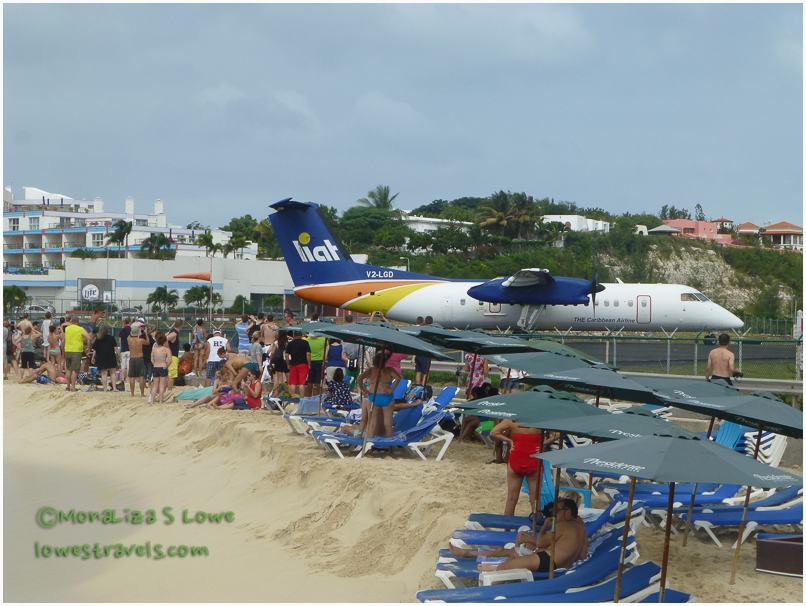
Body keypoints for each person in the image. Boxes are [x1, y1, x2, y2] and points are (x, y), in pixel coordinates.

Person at [448, 498, 588, 574]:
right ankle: (467, 553)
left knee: (506, 563)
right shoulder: (580, 524)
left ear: (568, 512)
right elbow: (582, 555)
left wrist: (545, 526)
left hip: (549, 562)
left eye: (557, 510)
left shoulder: (563, 525)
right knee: (509, 552)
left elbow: (540, 542)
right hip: (558, 561)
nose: (554, 513)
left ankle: (489, 566)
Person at [492, 418, 555, 516]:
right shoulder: (541, 420)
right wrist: (543, 444)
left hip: (516, 457)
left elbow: (494, 432)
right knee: (535, 499)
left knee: (511, 499)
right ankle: (536, 523)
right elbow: (556, 435)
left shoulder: (510, 421)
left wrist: (510, 441)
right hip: (534, 458)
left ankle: (507, 525)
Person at [357, 352, 402, 438]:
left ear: (374, 361)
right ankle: (389, 443)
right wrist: (392, 389)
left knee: (372, 422)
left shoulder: (371, 370)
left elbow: (359, 378)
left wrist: (363, 389)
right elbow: (398, 378)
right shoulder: (389, 370)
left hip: (373, 396)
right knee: (388, 423)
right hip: (386, 396)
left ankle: (366, 441)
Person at [64, 317, 89, 392]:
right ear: (78, 322)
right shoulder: (80, 329)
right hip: (76, 351)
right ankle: (73, 387)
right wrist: (86, 344)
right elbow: (88, 337)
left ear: (71, 321)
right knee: (75, 370)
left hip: (67, 350)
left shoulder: (67, 328)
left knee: (68, 369)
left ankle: (68, 386)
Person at [91, 326, 118, 391]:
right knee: (113, 373)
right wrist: (118, 356)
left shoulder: (98, 339)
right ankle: (114, 388)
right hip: (111, 357)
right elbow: (116, 348)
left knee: (103, 374)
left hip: (101, 357)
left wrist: (93, 357)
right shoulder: (111, 338)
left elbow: (95, 350)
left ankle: (105, 389)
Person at [285, 330, 311, 397]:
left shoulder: (290, 343)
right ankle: (302, 399)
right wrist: (309, 364)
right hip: (303, 364)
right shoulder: (305, 342)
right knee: (302, 383)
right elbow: (308, 354)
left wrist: (288, 364)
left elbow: (286, 355)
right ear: (301, 335)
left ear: (294, 335)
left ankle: (292, 399)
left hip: (293, 364)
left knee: (292, 383)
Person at [305, 322, 327, 397]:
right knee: (318, 381)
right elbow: (326, 350)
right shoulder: (323, 339)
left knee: (309, 381)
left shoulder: (307, 340)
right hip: (320, 361)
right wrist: (324, 360)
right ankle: (317, 397)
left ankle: (308, 397)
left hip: (310, 361)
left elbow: (307, 353)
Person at [150, 332, 171, 404]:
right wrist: (166, 365)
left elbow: (152, 360)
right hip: (163, 367)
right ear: (164, 341)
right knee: (162, 385)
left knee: (155, 385)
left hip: (155, 367)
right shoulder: (166, 349)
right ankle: (161, 401)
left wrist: (155, 364)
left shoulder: (154, 349)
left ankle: (152, 401)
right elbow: (170, 360)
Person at [127, 325, 147, 397]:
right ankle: (142, 394)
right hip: (139, 358)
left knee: (132, 377)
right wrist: (145, 333)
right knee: (141, 376)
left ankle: (132, 393)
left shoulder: (129, 339)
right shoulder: (141, 340)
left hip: (132, 358)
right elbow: (148, 342)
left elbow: (129, 335)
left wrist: (134, 330)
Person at [269, 333, 290, 397]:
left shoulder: (276, 342)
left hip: (278, 361)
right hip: (285, 360)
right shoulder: (287, 343)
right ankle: (287, 393)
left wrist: (270, 361)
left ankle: (275, 394)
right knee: (288, 379)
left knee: (279, 380)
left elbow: (272, 353)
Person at [165, 319, 183, 389]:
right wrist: (168, 349)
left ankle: (168, 388)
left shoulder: (171, 331)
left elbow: (163, 337)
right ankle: (169, 390)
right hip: (172, 355)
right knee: (172, 375)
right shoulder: (174, 333)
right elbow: (165, 339)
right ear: (181, 326)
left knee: (169, 373)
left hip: (170, 355)